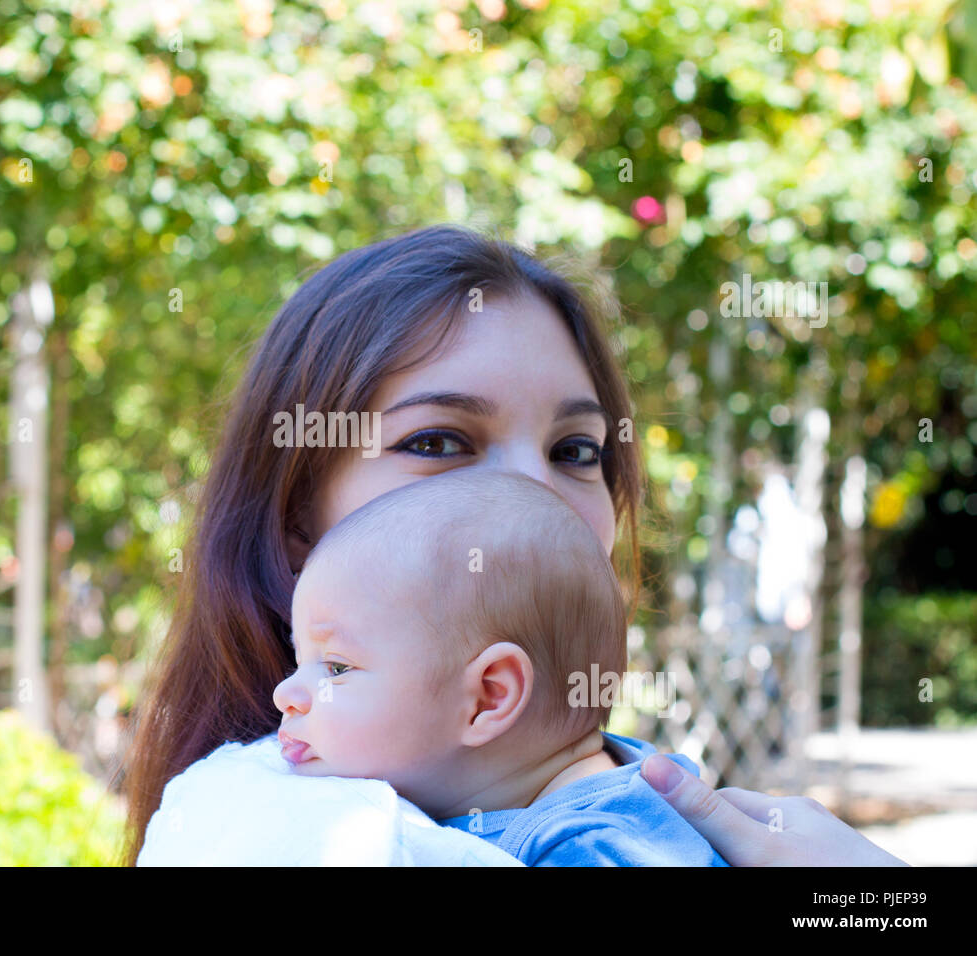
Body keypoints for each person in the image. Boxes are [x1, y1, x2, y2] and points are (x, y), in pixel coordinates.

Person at [122, 224, 906, 867]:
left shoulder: (644, 819)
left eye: (576, 451)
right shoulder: (260, 824)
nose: (537, 493)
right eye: (437, 441)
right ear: (295, 517)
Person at [275, 468, 728, 865]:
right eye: (300, 661)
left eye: (336, 668)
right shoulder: (585, 787)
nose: (285, 693)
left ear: (488, 698)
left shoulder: (588, 848)